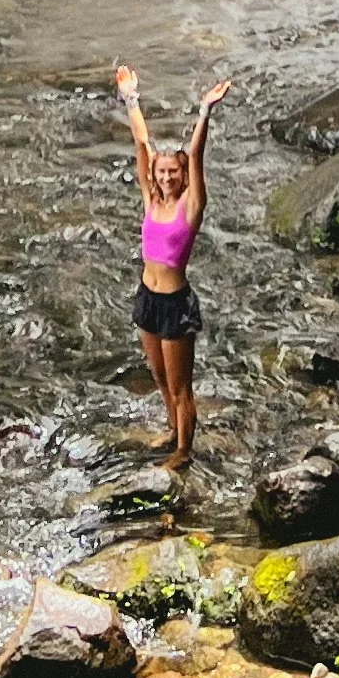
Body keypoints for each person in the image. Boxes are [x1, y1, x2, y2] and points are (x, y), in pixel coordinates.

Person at [114, 62, 228, 467]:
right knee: (161, 379)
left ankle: (183, 450)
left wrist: (205, 112)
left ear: (181, 176)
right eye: (160, 172)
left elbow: (196, 153)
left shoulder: (190, 207)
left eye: (172, 172)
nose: (164, 177)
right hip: (148, 299)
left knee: (181, 386)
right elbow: (141, 142)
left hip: (175, 303)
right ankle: (171, 430)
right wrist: (131, 98)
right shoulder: (150, 201)